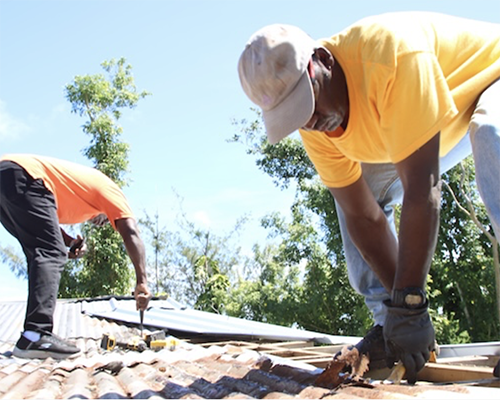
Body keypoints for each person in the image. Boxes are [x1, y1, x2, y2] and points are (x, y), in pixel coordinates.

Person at [238, 11, 500, 383]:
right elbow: (362, 215)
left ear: (323, 61)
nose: (311, 123)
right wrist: (403, 313)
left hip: (492, 78)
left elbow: (423, 189)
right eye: (297, 117)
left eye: (309, 105)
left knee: (491, 135)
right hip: (443, 112)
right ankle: (388, 323)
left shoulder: (391, 57)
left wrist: (411, 298)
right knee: (353, 196)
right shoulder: (314, 124)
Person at [0, 153, 152, 359]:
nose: (105, 223)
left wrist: (69, 243)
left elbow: (43, 225)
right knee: (50, 253)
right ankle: (36, 334)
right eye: (108, 220)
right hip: (25, 175)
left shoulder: (76, 200)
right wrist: (142, 282)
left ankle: (33, 335)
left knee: (42, 252)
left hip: (10, 178)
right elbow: (131, 232)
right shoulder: (111, 191)